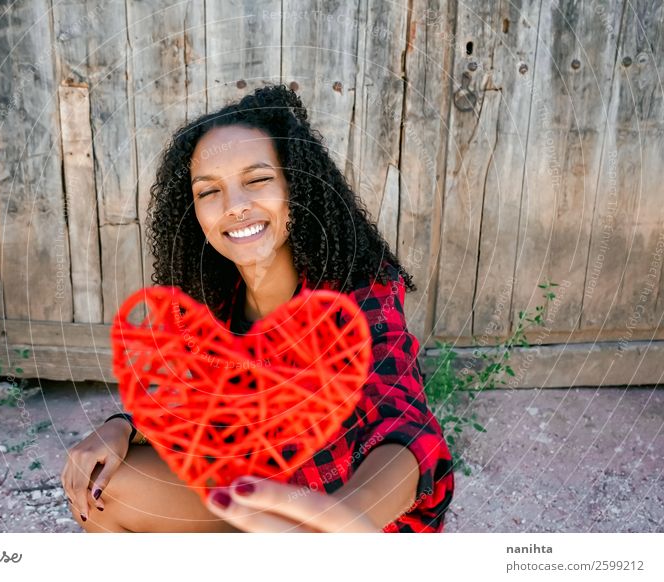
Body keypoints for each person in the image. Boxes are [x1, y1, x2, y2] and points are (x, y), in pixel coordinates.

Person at [60, 84, 454, 533]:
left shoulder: (358, 291)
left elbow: (401, 424)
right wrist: (122, 429)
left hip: (346, 519)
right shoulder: (214, 306)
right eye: (209, 192)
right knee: (105, 489)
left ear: (296, 186)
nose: (235, 207)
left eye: (258, 179)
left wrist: (347, 518)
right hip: (260, 506)